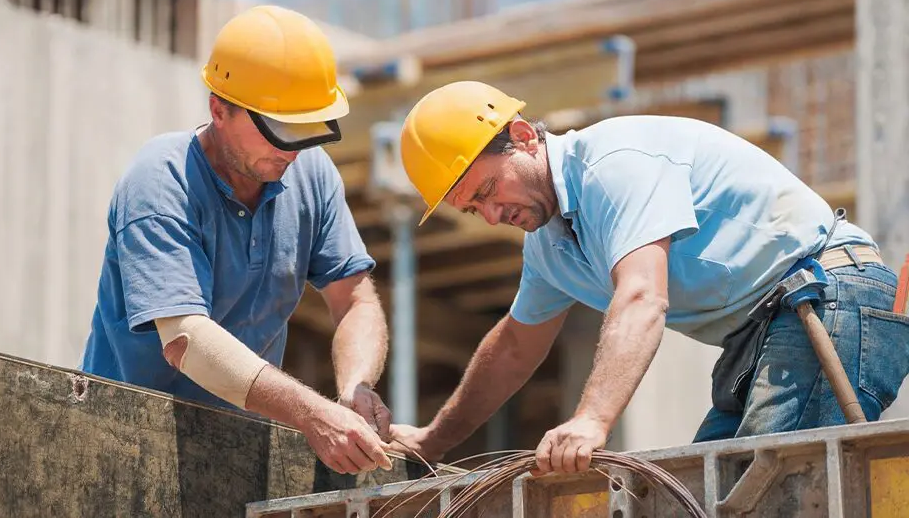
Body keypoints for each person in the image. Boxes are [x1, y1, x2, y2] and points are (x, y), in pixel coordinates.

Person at [388, 80, 909, 475]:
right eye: (475, 210)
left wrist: (592, 419)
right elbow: (513, 350)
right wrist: (433, 441)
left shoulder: (614, 165)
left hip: (829, 295)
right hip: (768, 332)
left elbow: (641, 297)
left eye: (488, 191)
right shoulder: (550, 245)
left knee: (769, 489)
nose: (494, 214)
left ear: (523, 138)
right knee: (702, 493)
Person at [80, 5, 394, 476]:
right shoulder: (160, 181)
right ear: (218, 110)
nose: (291, 149)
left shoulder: (312, 175)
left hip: (237, 450)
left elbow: (354, 301)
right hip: (123, 445)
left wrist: (356, 387)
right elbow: (185, 339)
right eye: (278, 130)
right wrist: (311, 413)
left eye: (304, 130)